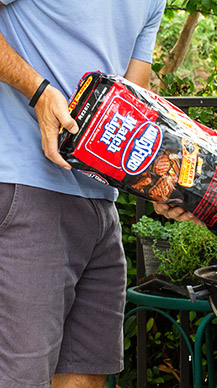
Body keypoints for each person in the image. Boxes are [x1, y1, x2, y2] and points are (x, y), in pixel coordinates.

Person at [0, 1, 197, 387]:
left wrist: (161, 179)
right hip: (26, 188)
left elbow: (131, 97)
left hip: (100, 205)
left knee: (87, 373)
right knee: (21, 377)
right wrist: (39, 93)